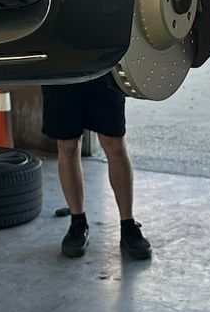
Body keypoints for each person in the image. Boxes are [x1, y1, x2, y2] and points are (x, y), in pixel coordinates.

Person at [42, 73, 151, 260]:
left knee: (114, 144)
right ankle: (78, 223)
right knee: (67, 144)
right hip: (60, 66)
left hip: (105, 65)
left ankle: (128, 224)